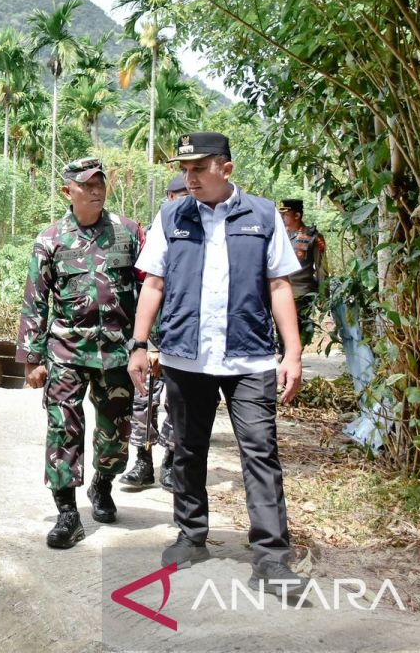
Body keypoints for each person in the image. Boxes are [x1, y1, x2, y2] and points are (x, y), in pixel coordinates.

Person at [126, 132, 311, 597]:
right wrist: (139, 344)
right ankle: (191, 536)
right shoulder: (171, 216)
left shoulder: (264, 215)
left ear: (225, 169)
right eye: (184, 168)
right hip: (187, 358)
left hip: (249, 358)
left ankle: (271, 558)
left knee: (260, 453)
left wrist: (292, 353)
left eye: (199, 168)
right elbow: (153, 285)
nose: (189, 177)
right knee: (188, 449)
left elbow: (279, 287)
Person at [16, 157, 143, 549]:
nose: (96, 190)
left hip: (117, 353)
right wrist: (32, 359)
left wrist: (147, 344)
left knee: (116, 431)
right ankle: (67, 513)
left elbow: (148, 292)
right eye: (87, 184)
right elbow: (35, 303)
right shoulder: (50, 240)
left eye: (100, 182)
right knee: (63, 428)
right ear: (67, 191)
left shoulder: (128, 233)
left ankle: (102, 485)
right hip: (67, 351)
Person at [119, 174, 188, 493]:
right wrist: (141, 340)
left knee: (178, 401)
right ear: (170, 198)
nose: (183, 200)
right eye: (178, 195)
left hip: (182, 336)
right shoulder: (154, 234)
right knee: (143, 399)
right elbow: (142, 286)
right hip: (152, 334)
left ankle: (172, 461)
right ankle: (142, 462)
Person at [277, 199, 326, 352]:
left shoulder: (313, 237)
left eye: (285, 214)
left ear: (297, 215)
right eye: (281, 214)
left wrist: (323, 295)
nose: (282, 217)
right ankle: (285, 356)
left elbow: (321, 267)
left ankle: (291, 358)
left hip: (302, 292)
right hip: (279, 291)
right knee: (281, 328)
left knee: (297, 329)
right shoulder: (278, 235)